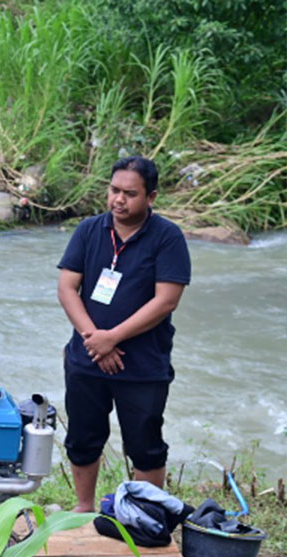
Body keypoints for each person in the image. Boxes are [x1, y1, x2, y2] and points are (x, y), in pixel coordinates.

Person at [57, 156, 191, 513]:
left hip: (143, 364)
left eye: (130, 194)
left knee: (145, 444)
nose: (119, 200)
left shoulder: (167, 237)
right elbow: (67, 288)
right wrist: (94, 338)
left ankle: (143, 515)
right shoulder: (89, 230)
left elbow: (166, 301)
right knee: (83, 438)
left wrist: (112, 337)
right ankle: (84, 507)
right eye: (114, 190)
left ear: (151, 197)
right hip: (87, 358)